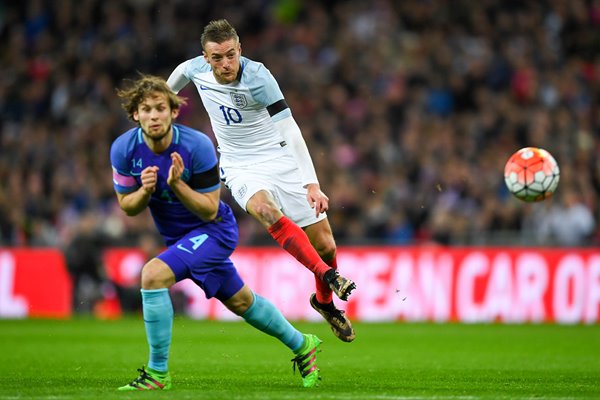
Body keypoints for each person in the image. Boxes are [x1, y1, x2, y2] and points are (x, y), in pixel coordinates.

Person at [110, 74, 322, 390]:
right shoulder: (123, 149)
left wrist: (177, 185)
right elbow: (127, 206)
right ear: (135, 114)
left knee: (152, 275)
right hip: (180, 240)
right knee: (241, 302)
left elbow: (209, 209)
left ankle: (157, 374)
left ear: (173, 111)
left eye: (160, 108)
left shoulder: (197, 146)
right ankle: (303, 344)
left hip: (214, 230)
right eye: (146, 110)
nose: (154, 116)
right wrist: (145, 189)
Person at [167, 19, 357, 343]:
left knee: (325, 245)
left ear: (239, 49)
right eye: (217, 58)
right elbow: (181, 74)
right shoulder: (196, 68)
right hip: (240, 165)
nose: (225, 64)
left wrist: (311, 183)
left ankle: (324, 302)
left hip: (279, 157)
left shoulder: (259, 78)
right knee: (266, 211)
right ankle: (329, 276)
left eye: (230, 55)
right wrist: (166, 99)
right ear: (206, 56)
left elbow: (289, 128)